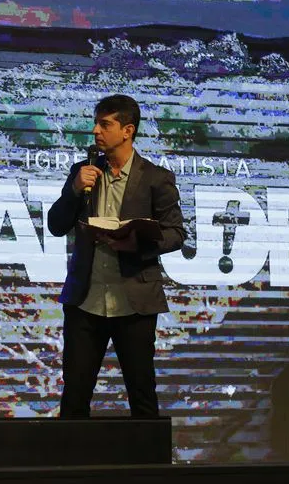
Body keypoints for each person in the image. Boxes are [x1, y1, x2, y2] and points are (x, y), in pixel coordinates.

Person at [47, 94, 186, 418]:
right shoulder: (83, 171)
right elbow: (56, 225)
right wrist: (72, 191)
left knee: (142, 395)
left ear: (127, 130)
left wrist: (136, 244)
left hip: (133, 303)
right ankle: (69, 464)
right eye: (96, 123)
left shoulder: (156, 178)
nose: (96, 130)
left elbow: (176, 233)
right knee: (75, 396)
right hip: (86, 301)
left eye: (105, 124)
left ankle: (149, 469)